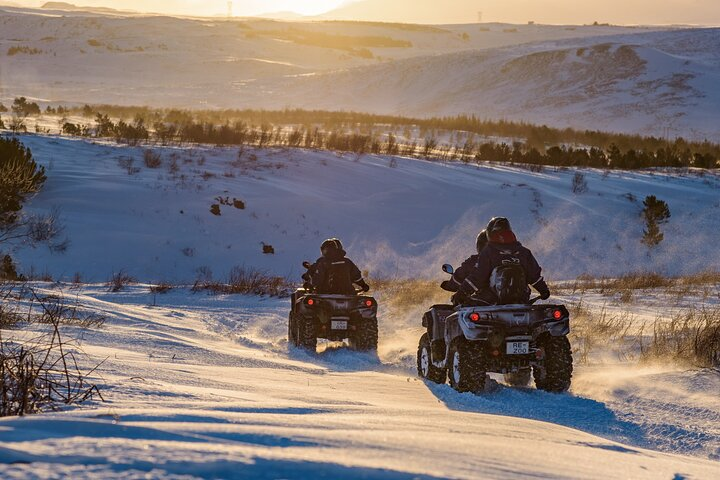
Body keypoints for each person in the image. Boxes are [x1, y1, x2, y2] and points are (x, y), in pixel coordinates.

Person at [455, 218, 550, 305]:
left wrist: (462, 293)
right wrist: (543, 290)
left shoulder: (489, 252)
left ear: (489, 234)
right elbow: (534, 276)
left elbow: (477, 277)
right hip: (521, 299)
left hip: (491, 300)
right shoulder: (524, 252)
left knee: (464, 308)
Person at [303, 238, 370, 295]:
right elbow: (356, 276)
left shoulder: (323, 263)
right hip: (348, 294)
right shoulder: (347, 262)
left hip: (326, 294)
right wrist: (363, 285)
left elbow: (317, 279)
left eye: (324, 250)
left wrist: (309, 284)